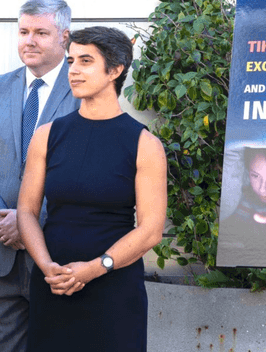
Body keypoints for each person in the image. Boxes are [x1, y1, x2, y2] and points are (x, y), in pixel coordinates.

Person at [15, 26, 167, 352]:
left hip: (113, 288)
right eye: (71, 61)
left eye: (86, 61)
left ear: (115, 70)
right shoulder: (47, 135)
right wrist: (46, 267)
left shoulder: (144, 144)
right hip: (53, 285)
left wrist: (96, 268)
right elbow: (26, 211)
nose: (73, 71)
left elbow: (151, 230)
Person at [0, 0, 79, 352]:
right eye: (23, 32)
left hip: (56, 258)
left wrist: (28, 221)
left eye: (41, 33)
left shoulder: (83, 91)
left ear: (64, 36)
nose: (29, 41)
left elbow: (83, 172)